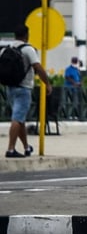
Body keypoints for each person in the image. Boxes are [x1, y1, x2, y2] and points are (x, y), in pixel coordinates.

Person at [5, 25, 53, 158]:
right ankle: (10, 149)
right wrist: (47, 84)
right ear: (26, 35)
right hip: (24, 88)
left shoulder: (8, 48)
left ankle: (26, 147)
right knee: (17, 119)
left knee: (20, 119)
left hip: (10, 88)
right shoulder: (28, 49)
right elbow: (37, 66)